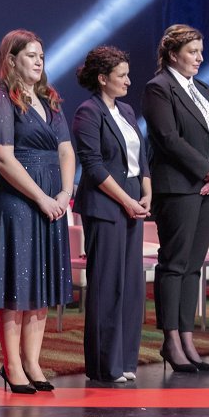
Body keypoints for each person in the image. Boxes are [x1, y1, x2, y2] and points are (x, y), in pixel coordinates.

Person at [0, 29, 75, 394]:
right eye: (31, 55)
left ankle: (33, 362)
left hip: (52, 198)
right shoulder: (0, 99)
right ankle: (12, 365)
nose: (38, 62)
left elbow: (65, 150)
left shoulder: (49, 98)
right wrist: (41, 198)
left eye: (41, 56)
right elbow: (2, 158)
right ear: (11, 59)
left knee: (42, 281)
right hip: (17, 200)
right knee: (16, 282)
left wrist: (64, 193)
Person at [141, 24, 209, 373]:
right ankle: (171, 340)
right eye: (193, 51)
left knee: (194, 266)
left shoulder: (202, 90)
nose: (200, 57)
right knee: (174, 264)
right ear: (173, 54)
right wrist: (208, 170)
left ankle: (188, 338)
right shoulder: (159, 88)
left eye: (201, 51)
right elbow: (168, 139)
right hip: (178, 187)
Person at [71, 46, 150, 384]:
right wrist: (126, 201)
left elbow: (141, 157)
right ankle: (105, 365)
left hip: (132, 201)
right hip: (105, 206)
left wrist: (146, 191)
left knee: (131, 285)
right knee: (107, 285)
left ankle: (126, 360)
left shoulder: (127, 111)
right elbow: (93, 165)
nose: (129, 81)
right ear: (103, 78)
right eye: (122, 76)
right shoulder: (88, 112)